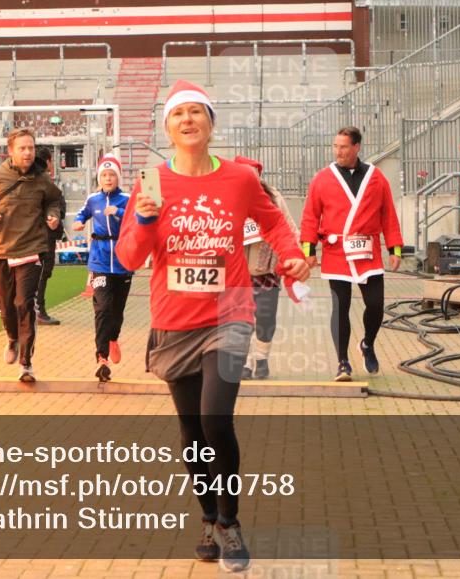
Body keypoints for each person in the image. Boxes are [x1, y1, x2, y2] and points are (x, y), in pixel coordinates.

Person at [116, 80, 309, 573]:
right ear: (167, 127)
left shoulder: (241, 179)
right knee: (191, 431)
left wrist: (292, 256)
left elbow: (274, 223)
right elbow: (128, 258)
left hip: (229, 316)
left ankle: (230, 520)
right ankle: (206, 516)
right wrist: (141, 221)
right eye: (178, 114)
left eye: (196, 112)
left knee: (215, 420)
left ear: (210, 123)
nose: (187, 120)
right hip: (173, 320)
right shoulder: (151, 182)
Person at [300, 126, 403, 382]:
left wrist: (395, 248)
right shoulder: (322, 178)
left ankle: (367, 343)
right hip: (337, 253)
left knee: (376, 305)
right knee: (340, 307)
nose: (339, 152)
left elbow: (388, 214)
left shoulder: (376, 178)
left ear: (356, 147)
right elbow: (311, 215)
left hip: (368, 252)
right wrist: (309, 249)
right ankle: (342, 362)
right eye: (336, 146)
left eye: (344, 147)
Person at [0, 127, 63, 382]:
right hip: (0, 250)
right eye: (22, 148)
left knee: (25, 304)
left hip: (32, 249)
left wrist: (53, 216)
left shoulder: (42, 179)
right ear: (10, 152)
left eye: (31, 147)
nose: (28, 152)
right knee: (7, 307)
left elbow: (54, 200)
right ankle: (11, 338)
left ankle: (26, 363)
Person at [233, 155, 299, 381]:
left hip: (266, 269)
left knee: (265, 317)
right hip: (237, 271)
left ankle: (261, 359)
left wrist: (294, 256)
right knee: (240, 320)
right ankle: (242, 361)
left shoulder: (273, 197)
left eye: (253, 176)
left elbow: (288, 227)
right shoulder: (228, 198)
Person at [73, 152, 133, 382]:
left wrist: (117, 212)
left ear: (118, 178)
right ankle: (101, 357)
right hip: (99, 259)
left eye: (112, 175)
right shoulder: (93, 199)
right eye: (104, 175)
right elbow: (82, 213)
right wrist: (78, 222)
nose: (108, 179)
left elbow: (138, 217)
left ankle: (113, 338)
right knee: (103, 308)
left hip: (123, 258)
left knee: (117, 309)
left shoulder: (127, 198)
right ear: (99, 178)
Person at [34, 147, 66, 326]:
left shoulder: (42, 182)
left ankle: (34, 310)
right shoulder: (43, 183)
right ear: (47, 162)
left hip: (42, 236)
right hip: (42, 238)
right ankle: (38, 311)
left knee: (39, 274)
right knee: (41, 273)